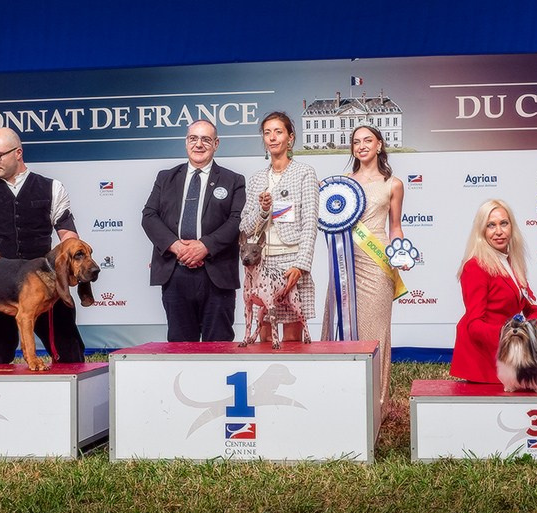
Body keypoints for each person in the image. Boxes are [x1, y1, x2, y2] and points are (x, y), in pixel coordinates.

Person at [0, 127, 86, 363]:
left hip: (47, 284)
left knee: (70, 354)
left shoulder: (53, 187)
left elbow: (68, 236)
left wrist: (74, 265)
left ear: (18, 153)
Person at [321, 125, 407, 417]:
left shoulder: (393, 183)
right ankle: (336, 396)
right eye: (356, 142)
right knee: (340, 324)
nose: (361, 146)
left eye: (367, 140)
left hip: (377, 261)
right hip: (344, 262)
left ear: (380, 145)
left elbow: (395, 227)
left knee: (376, 331)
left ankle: (376, 405)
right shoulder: (341, 184)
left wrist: (401, 252)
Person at [141, 120, 246, 342]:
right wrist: (177, 247)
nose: (199, 144)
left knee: (218, 348)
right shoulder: (165, 177)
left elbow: (237, 220)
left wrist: (205, 246)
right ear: (186, 142)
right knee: (180, 347)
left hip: (216, 274)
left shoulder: (233, 180)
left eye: (206, 139)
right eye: (193, 139)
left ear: (216, 144)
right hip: (175, 273)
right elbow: (149, 216)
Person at [452, 199, 537, 384]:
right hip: (491, 347)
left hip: (517, 338)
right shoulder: (475, 266)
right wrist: (513, 338)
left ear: (511, 226)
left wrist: (532, 333)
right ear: (481, 231)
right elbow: (474, 326)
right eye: (491, 226)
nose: (499, 231)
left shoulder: (511, 261)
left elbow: (531, 306)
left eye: (504, 223)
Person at [239, 111, 319, 344]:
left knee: (293, 337)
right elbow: (245, 226)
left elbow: (310, 223)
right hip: (261, 265)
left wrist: (301, 264)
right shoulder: (256, 179)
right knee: (264, 335)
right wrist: (263, 210)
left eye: (278, 131)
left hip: (291, 263)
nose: (272, 137)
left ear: (290, 138)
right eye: (267, 132)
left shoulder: (305, 173)